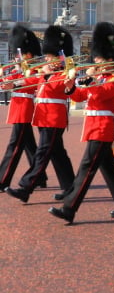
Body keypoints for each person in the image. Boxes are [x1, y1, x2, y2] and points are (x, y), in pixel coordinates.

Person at [49, 22, 114, 225]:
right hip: (94, 125)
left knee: (87, 167)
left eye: (97, 58)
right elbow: (82, 96)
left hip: (103, 127)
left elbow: (100, 96)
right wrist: (71, 87)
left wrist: (90, 80)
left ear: (109, 60)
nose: (94, 61)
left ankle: (69, 208)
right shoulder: (99, 78)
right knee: (108, 167)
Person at [5, 25, 75, 203]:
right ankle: (70, 188)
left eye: (51, 57)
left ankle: (26, 187)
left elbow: (57, 87)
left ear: (61, 58)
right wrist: (14, 84)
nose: (48, 59)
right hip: (44, 118)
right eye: (48, 56)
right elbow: (30, 81)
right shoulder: (47, 72)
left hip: (54, 118)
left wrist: (47, 74)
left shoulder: (64, 73)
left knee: (42, 153)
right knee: (58, 154)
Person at [0, 25, 46, 192]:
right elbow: (7, 81)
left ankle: (2, 179)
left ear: (28, 54)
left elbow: (34, 82)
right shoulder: (19, 68)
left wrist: (16, 82)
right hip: (17, 108)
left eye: (20, 54)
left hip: (25, 108)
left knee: (15, 146)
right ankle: (40, 176)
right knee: (28, 144)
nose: (17, 57)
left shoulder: (35, 68)